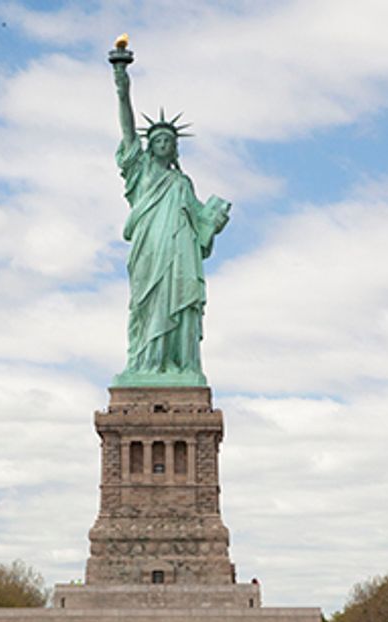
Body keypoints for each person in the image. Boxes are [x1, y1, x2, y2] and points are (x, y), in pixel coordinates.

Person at [111, 50, 230, 386]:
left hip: (180, 256)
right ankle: (145, 364)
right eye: (158, 139)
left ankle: (178, 364)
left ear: (175, 148)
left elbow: (201, 226)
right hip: (149, 249)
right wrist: (122, 84)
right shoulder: (141, 169)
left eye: (169, 141)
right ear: (150, 147)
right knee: (146, 305)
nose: (163, 143)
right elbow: (127, 129)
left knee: (177, 301)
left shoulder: (182, 183)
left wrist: (214, 221)